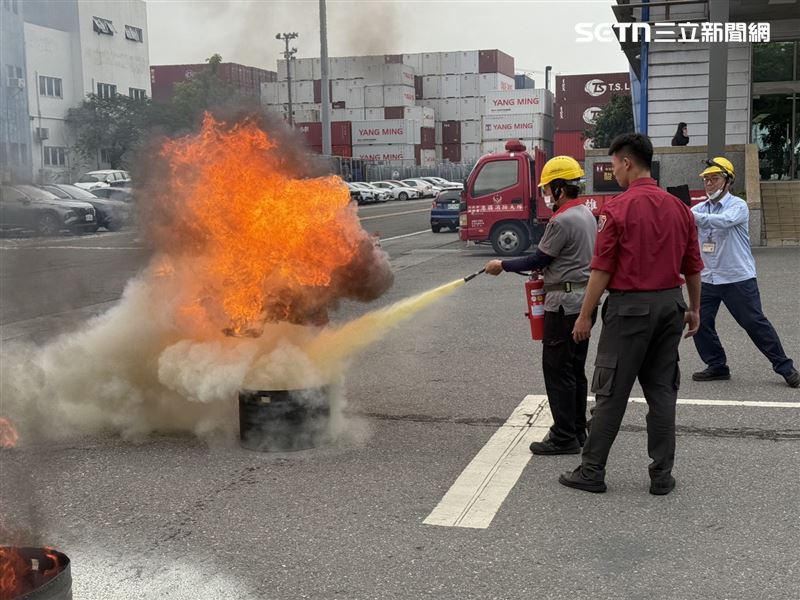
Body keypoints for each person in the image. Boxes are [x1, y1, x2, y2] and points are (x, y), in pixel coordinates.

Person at [562, 133, 704, 495]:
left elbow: (602, 268)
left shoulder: (617, 208)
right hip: (671, 306)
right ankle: (661, 476)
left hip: (629, 310)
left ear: (626, 162)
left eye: (614, 166)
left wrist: (585, 315)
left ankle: (592, 471)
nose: (615, 173)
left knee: (611, 393)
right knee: (662, 394)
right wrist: (694, 308)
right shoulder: (680, 209)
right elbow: (693, 267)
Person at [484, 156, 598, 455]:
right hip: (583, 301)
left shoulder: (561, 220)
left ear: (561, 188)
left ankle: (563, 437)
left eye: (549, 189)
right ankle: (576, 429)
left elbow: (539, 259)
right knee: (575, 368)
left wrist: (502, 264)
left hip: (562, 305)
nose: (546, 195)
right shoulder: (586, 214)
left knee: (557, 369)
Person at [691, 157, 799, 387]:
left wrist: (689, 215)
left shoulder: (737, 206)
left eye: (715, 179)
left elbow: (723, 221)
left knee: (755, 323)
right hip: (708, 277)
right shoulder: (698, 208)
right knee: (700, 323)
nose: (709, 184)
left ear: (728, 181)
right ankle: (717, 365)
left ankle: (786, 367)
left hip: (736, 277)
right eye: (706, 180)